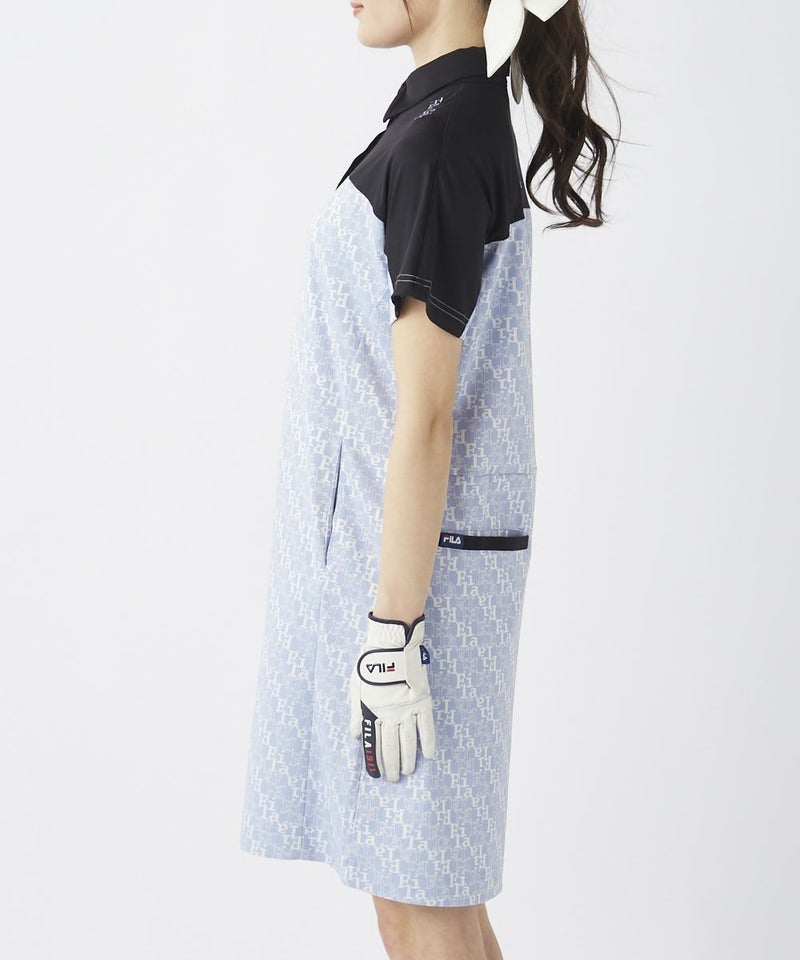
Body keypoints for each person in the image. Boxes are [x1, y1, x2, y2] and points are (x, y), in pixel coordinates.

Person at [240, 2, 619, 957]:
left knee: (420, 903)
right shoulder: (437, 124)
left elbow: (427, 413)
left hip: (414, 594)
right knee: (423, 898)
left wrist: (392, 638)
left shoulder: (441, 144)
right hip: (403, 573)